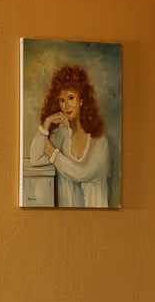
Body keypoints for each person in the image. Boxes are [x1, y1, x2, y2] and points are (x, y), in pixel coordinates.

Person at [29, 64, 111, 207]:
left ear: (81, 100)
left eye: (71, 98)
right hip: (65, 221)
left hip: (98, 219)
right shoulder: (61, 135)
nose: (66, 106)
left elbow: (81, 173)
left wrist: (51, 152)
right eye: (61, 100)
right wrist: (46, 124)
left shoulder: (99, 140)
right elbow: (35, 159)